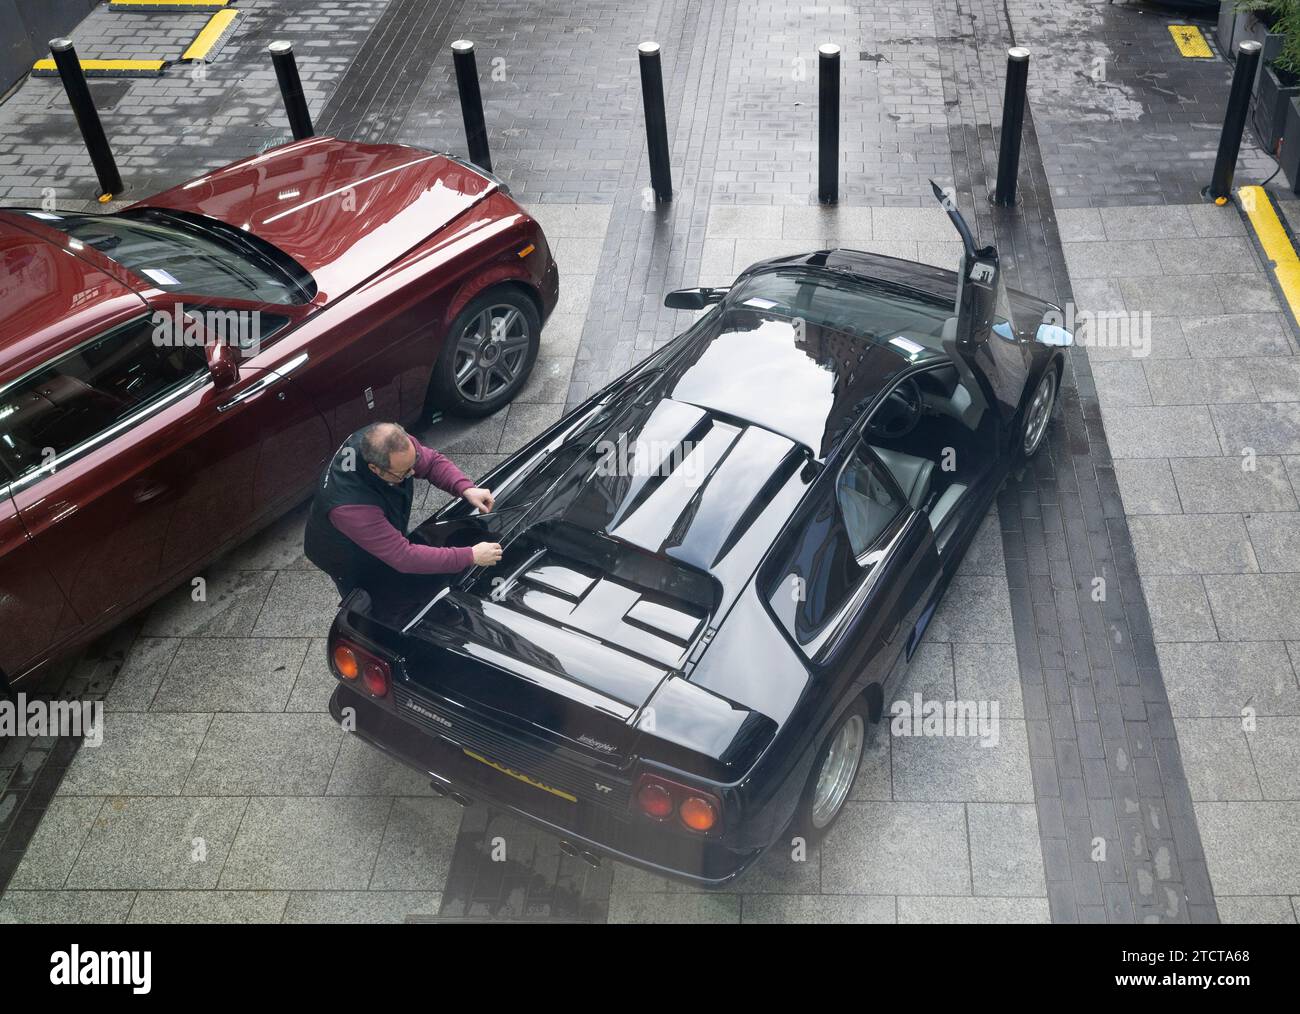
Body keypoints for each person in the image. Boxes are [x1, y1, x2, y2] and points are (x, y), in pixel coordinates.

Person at [303, 421, 503, 598]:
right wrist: (470, 555)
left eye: (413, 460)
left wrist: (465, 488)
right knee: (370, 597)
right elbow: (403, 557)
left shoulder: (390, 442)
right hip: (346, 555)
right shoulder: (351, 508)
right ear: (375, 469)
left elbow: (431, 462)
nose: (414, 472)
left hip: (376, 520)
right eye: (404, 472)